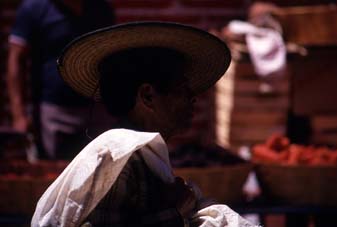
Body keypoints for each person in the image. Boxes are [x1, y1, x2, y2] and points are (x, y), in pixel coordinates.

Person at [31, 22, 258, 227]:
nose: (193, 98)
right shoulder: (120, 157)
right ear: (148, 96)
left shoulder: (145, 156)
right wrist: (177, 212)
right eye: (181, 90)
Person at [6, 0, 116, 159]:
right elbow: (15, 59)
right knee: (56, 174)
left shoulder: (100, 8)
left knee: (100, 171)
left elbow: (110, 56)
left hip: (96, 110)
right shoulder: (34, 8)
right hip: (54, 113)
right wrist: (18, 115)